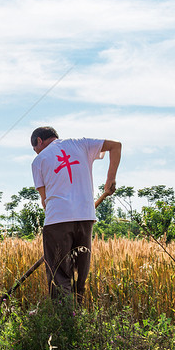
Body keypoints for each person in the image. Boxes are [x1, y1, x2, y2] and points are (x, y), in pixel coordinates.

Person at [30, 126, 121, 304]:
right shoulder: (81, 144)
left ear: (39, 141)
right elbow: (116, 146)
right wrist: (111, 179)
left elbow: (44, 200)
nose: (36, 153)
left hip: (57, 220)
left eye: (35, 149)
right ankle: (76, 313)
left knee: (59, 273)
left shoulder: (38, 161)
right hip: (86, 217)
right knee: (80, 271)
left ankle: (63, 318)